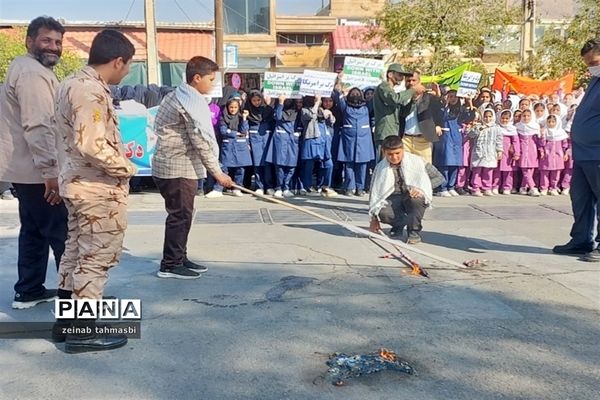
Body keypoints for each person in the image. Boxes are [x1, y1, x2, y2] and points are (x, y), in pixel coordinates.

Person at [52, 29, 137, 352]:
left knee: (74, 255)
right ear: (117, 61)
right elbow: (91, 145)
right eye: (127, 65)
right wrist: (127, 168)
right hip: (95, 190)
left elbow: (84, 140)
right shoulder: (90, 91)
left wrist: (119, 148)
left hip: (78, 186)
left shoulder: (72, 83)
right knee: (94, 260)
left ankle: (66, 323)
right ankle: (83, 332)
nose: (127, 71)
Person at [0, 16, 68, 309]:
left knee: (35, 231)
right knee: (64, 236)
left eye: (57, 42)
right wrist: (50, 172)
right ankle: (78, 307)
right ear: (29, 41)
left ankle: (28, 291)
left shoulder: (24, 66)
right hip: (38, 172)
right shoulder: (33, 74)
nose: (53, 47)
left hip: (25, 171)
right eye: (46, 40)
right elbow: (39, 126)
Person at [152, 56, 234, 278]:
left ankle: (179, 257)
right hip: (176, 167)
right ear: (196, 78)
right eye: (210, 79)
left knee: (184, 215)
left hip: (179, 166)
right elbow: (199, 140)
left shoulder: (183, 96)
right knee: (180, 215)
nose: (213, 84)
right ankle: (170, 264)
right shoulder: (186, 102)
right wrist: (218, 173)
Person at [553, 38, 600, 261]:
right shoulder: (595, 80)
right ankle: (582, 239)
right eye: (588, 63)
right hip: (583, 153)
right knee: (580, 198)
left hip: (598, 153)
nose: (591, 66)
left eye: (595, 61)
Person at [368, 135, 444, 244]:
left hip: (411, 197)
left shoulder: (418, 161)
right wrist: (373, 219)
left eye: (397, 153)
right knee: (383, 211)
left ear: (403, 150)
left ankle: (413, 231)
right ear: (384, 152)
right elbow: (373, 192)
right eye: (390, 154)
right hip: (393, 198)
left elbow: (439, 177)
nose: (394, 157)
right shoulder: (380, 168)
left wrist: (422, 188)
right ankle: (398, 225)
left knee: (416, 200)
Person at [373, 64, 424, 159]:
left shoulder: (392, 91)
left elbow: (403, 113)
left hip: (392, 133)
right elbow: (394, 99)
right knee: (383, 165)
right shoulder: (383, 87)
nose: (402, 78)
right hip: (384, 133)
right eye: (399, 74)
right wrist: (412, 90)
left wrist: (413, 100)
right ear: (390, 75)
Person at [206, 97, 251, 197]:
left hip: (240, 146)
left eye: (235, 107)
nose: (233, 109)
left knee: (240, 168)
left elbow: (244, 130)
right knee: (224, 167)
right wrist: (235, 133)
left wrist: (244, 118)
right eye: (231, 107)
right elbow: (223, 130)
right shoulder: (223, 117)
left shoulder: (240, 117)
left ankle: (237, 187)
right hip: (228, 146)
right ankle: (218, 189)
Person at [336, 87, 375, 196]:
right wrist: (340, 86)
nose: (355, 95)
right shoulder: (345, 107)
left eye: (357, 93)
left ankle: (360, 188)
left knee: (362, 165)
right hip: (349, 140)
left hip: (363, 140)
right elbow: (339, 97)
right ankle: (350, 187)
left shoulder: (367, 107)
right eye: (353, 93)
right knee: (349, 164)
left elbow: (374, 99)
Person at [400, 71, 445, 164]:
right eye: (408, 81)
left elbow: (440, 111)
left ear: (419, 82)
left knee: (425, 170)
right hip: (405, 139)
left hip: (423, 140)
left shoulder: (429, 98)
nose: (411, 83)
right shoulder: (402, 97)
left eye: (414, 80)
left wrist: (438, 125)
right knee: (405, 169)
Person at [266, 96, 300, 198]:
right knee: (279, 166)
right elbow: (278, 117)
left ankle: (286, 187)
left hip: (292, 142)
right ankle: (279, 187)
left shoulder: (297, 112)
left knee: (291, 166)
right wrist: (281, 102)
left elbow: (300, 125)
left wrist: (297, 133)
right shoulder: (278, 109)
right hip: (280, 141)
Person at [468, 109, 503, 196]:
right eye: (486, 116)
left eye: (490, 117)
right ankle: (476, 187)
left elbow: (499, 140)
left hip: (490, 151)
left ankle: (487, 187)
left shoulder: (496, 128)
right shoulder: (478, 126)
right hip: (479, 151)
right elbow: (470, 135)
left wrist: (499, 151)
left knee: (488, 171)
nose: (487, 119)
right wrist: (479, 128)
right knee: (477, 170)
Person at [245, 90, 275, 195]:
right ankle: (259, 186)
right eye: (254, 100)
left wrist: (268, 104)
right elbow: (245, 127)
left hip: (266, 138)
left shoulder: (267, 109)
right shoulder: (247, 111)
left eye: (258, 100)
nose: (256, 102)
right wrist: (247, 142)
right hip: (254, 139)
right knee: (257, 164)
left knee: (267, 163)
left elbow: (273, 119)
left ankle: (269, 186)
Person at [538, 115, 568, 196]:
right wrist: (543, 136)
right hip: (546, 156)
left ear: (557, 122)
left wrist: (565, 153)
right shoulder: (545, 132)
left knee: (556, 173)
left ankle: (553, 188)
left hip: (558, 156)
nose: (551, 124)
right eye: (549, 122)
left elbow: (565, 145)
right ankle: (544, 188)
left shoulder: (561, 133)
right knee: (545, 173)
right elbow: (541, 144)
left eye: (553, 122)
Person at [493, 110, 520, 195]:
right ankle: (495, 186)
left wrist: (516, 153)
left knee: (508, 171)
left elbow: (516, 142)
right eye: (503, 118)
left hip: (508, 153)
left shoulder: (512, 129)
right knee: (497, 170)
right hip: (497, 151)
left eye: (506, 118)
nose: (504, 120)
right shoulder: (496, 128)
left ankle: (507, 187)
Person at [515, 109, 542, 196]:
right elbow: (516, 141)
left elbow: (539, 141)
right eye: (524, 116)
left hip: (532, 150)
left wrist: (541, 150)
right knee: (525, 169)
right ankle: (533, 188)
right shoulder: (518, 126)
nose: (526, 118)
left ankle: (523, 187)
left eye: (528, 116)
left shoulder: (535, 126)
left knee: (531, 170)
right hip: (523, 151)